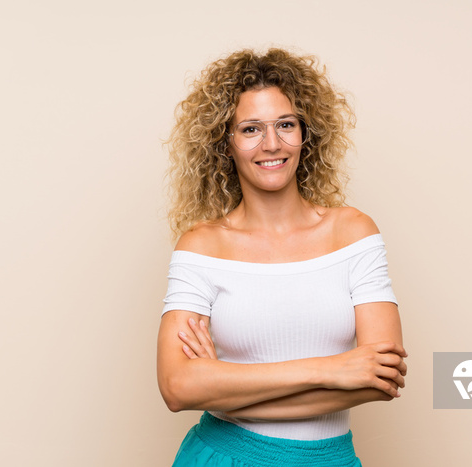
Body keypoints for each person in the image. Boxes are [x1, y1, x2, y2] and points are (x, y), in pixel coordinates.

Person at [157, 48, 407, 467]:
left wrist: (224, 387)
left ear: (306, 133)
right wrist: (330, 369)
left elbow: (381, 378)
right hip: (223, 456)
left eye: (285, 125)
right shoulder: (201, 247)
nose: (271, 144)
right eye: (251, 129)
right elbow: (178, 387)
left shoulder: (354, 233)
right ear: (226, 143)